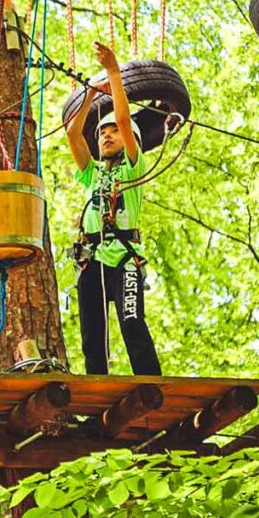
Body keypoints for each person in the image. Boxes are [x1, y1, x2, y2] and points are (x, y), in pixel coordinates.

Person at [64, 42, 161, 376]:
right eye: (102, 133)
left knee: (132, 325)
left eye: (114, 132)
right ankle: (97, 391)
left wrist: (114, 73)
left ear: (129, 138)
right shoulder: (92, 174)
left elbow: (122, 115)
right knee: (93, 336)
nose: (106, 136)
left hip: (124, 257)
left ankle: (151, 384)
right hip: (91, 259)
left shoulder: (134, 166)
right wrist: (91, 94)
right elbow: (73, 134)